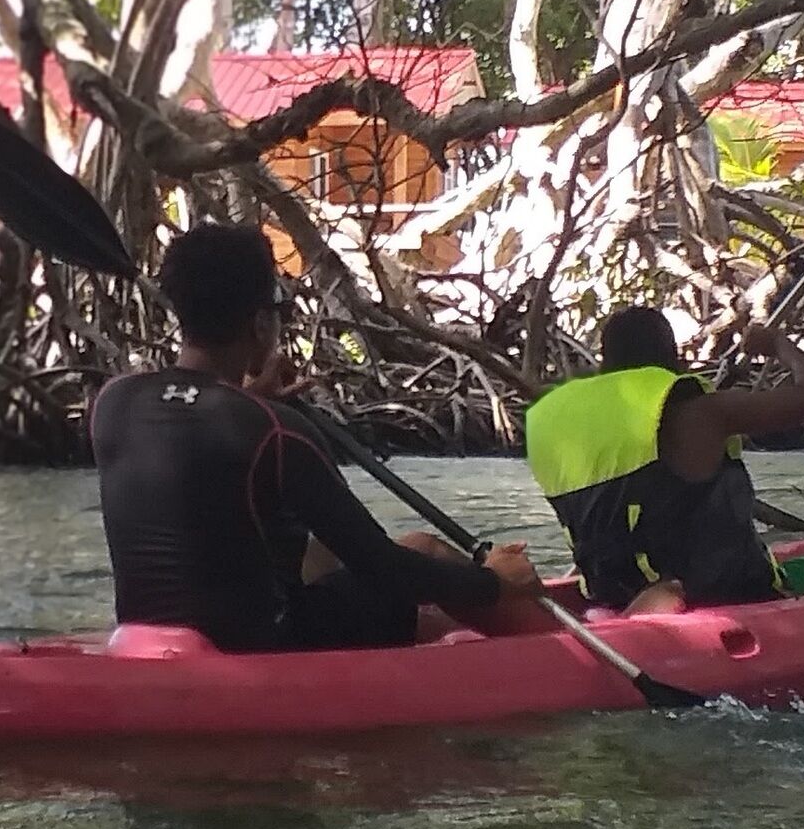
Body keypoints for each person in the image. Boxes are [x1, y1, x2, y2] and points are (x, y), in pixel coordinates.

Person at [92, 222, 545, 652]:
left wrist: (252, 399)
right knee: (421, 552)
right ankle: (551, 653)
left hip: (145, 635)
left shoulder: (113, 402)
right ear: (260, 324)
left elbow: (196, 441)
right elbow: (383, 566)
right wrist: (493, 581)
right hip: (266, 644)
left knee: (323, 553)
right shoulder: (272, 429)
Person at [523, 306, 804, 615]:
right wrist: (778, 345)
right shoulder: (701, 413)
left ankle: (636, 609)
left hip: (610, 592)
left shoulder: (553, 422)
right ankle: (662, 604)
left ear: (606, 361)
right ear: (672, 359)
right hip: (725, 594)